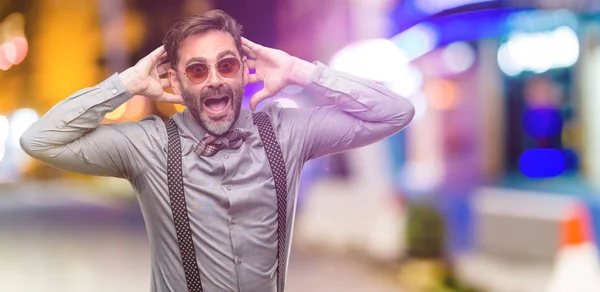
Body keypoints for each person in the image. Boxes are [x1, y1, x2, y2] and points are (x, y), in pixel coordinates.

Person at [20, 9, 415, 292]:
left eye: (226, 65)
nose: (214, 80)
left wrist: (301, 71)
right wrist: (125, 84)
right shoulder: (149, 145)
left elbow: (395, 113)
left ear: (243, 70)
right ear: (175, 79)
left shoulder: (285, 132)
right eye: (196, 70)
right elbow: (39, 140)